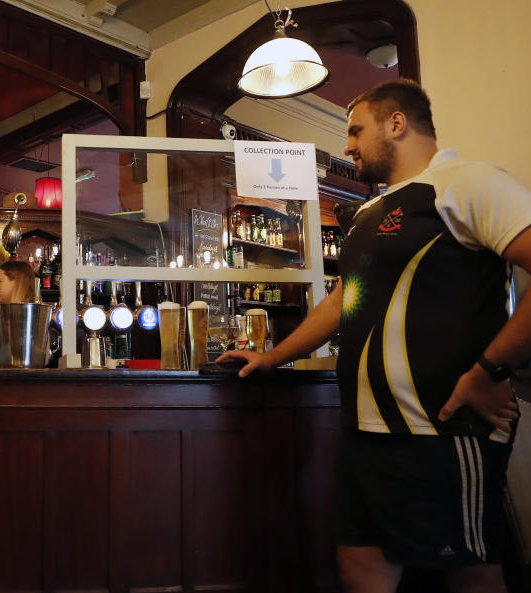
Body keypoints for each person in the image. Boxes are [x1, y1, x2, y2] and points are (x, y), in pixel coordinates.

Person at [217, 80, 531, 593]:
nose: (347, 146)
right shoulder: (367, 213)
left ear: (397, 124)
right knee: (360, 565)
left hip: (444, 430)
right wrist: (273, 358)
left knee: (470, 572)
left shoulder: (466, 182)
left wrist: (490, 370)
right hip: (364, 432)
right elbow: (344, 301)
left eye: (356, 131)